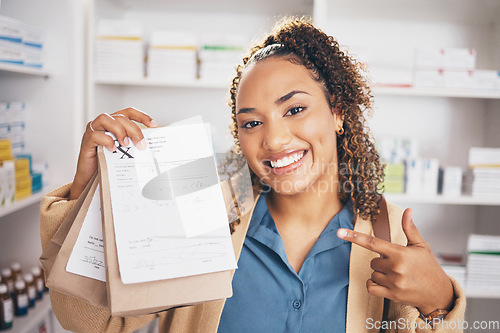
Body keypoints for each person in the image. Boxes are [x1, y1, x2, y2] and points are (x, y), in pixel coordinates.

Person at [40, 18, 465, 332]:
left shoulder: (388, 235)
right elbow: (88, 321)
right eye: (251, 122)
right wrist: (90, 192)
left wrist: (439, 302)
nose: (275, 140)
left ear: (337, 110)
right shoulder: (204, 214)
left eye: (294, 109)